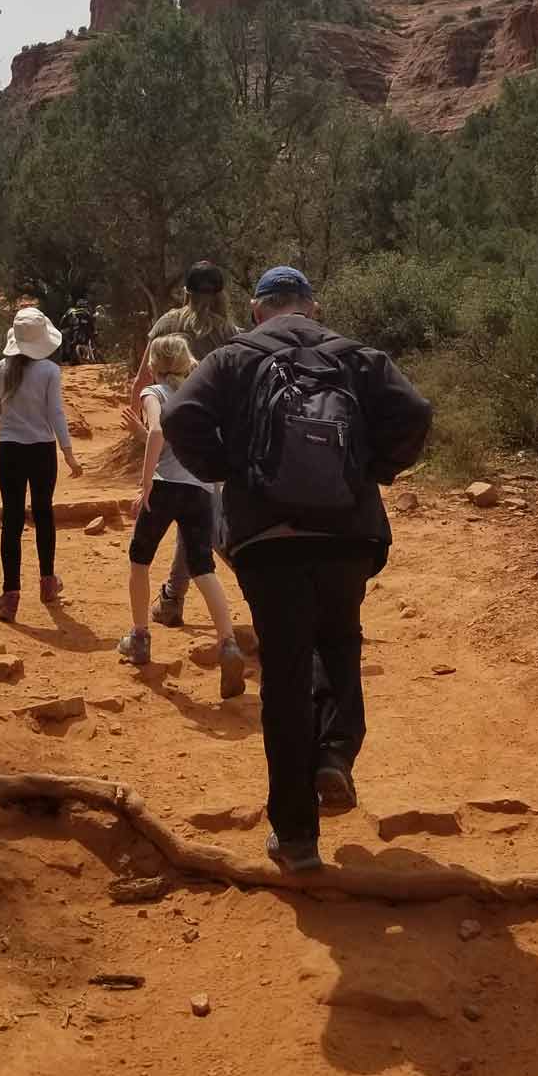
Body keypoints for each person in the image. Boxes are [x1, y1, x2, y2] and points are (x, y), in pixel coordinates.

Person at [161, 265, 432, 874]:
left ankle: (296, 836)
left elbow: (179, 420)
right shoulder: (356, 357)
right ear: (312, 306)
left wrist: (232, 471)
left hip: (266, 538)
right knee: (340, 644)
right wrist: (373, 470)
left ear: (259, 311)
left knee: (284, 675)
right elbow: (415, 411)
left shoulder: (233, 359)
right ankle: (334, 754)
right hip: (348, 533)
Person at [118, 332, 246, 700]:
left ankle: (140, 638)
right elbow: (169, 443)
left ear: (155, 365)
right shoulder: (199, 396)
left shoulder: (154, 393)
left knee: (139, 559)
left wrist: (144, 485)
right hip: (199, 489)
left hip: (164, 486)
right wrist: (139, 432)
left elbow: (159, 433)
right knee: (203, 568)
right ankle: (228, 644)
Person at [125, 262, 238, 628]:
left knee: (202, 529)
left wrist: (141, 423)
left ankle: (173, 599)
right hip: (214, 439)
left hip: (169, 439)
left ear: (185, 292)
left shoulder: (168, 324)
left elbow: (142, 378)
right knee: (200, 517)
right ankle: (174, 597)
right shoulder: (232, 334)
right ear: (221, 294)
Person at [0, 305, 83, 623]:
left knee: (12, 519)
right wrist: (68, 452)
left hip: (10, 450)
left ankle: (10, 596)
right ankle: (48, 583)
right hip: (42, 450)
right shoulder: (50, 372)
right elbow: (56, 413)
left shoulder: (3, 368)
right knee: (44, 512)